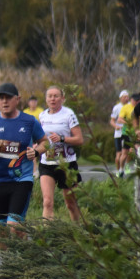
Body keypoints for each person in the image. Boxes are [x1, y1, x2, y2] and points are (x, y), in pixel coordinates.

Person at [0, 82, 47, 239]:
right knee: (1, 232)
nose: (5, 101)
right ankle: (15, 253)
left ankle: (21, 251)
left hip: (21, 180)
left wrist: (36, 151)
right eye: (1, 98)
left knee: (14, 226)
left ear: (17, 99)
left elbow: (45, 142)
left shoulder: (29, 121)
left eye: (8, 98)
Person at [37, 86, 83, 222]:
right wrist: (35, 146)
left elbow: (79, 139)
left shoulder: (68, 114)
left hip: (66, 164)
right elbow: (39, 138)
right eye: (50, 96)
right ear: (46, 99)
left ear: (62, 98)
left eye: (56, 96)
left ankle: (77, 229)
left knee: (71, 203)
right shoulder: (42, 116)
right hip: (47, 163)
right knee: (47, 202)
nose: (53, 99)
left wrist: (62, 138)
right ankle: (48, 232)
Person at [118, 91, 140, 174]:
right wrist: (128, 123)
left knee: (135, 150)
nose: (136, 102)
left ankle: (131, 166)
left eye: (138, 100)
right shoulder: (126, 107)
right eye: (135, 100)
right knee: (124, 153)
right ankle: (121, 169)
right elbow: (119, 119)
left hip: (137, 133)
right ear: (131, 100)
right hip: (127, 133)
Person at [111, 89, 130, 177]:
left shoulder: (130, 106)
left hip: (128, 133)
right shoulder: (116, 107)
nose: (126, 98)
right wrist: (116, 126)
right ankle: (118, 170)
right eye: (124, 97)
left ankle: (126, 166)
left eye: (127, 97)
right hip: (118, 134)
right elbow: (112, 121)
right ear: (120, 98)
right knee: (118, 154)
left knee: (129, 151)